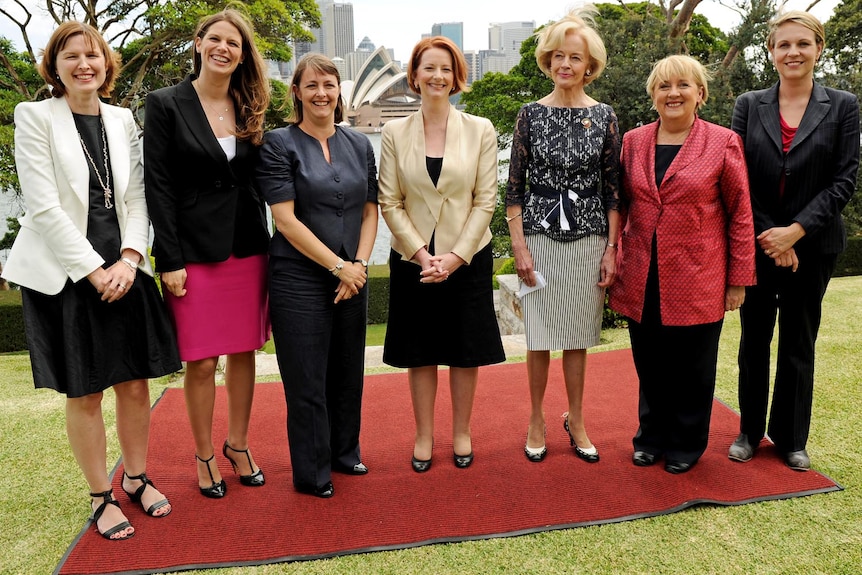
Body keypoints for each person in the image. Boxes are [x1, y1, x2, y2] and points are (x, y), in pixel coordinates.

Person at [2, 21, 181, 540]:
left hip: (123, 270)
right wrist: (94, 269)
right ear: (54, 66)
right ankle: (101, 495)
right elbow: (43, 204)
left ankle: (138, 477)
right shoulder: (34, 115)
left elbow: (135, 197)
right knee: (84, 392)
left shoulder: (123, 118)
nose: (84, 64)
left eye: (93, 55)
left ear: (107, 64)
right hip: (66, 274)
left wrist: (128, 258)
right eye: (71, 56)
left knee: (133, 383)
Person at [144, 9, 271, 497]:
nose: (224, 48)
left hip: (247, 246)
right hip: (193, 253)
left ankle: (237, 445)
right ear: (198, 44)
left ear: (243, 55)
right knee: (200, 361)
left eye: (234, 44)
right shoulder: (165, 104)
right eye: (215, 39)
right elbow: (158, 186)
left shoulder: (251, 102)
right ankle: (202, 455)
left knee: (245, 353)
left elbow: (265, 175)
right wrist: (168, 260)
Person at [608, 55, 756, 474]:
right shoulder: (634, 141)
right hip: (642, 271)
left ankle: (686, 444)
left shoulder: (722, 141)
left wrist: (739, 279)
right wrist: (611, 252)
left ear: (700, 95)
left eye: (683, 86)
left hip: (700, 274)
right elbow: (620, 202)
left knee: (692, 368)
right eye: (663, 86)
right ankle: (650, 438)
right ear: (653, 95)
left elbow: (740, 212)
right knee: (650, 363)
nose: (673, 93)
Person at [729, 11, 859, 471]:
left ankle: (791, 437)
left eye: (803, 44)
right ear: (770, 51)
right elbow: (738, 176)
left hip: (816, 244)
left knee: (799, 341)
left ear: (818, 49)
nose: (793, 53)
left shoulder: (843, 105)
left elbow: (844, 181)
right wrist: (773, 238)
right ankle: (748, 430)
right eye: (784, 45)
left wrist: (796, 232)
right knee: (754, 338)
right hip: (759, 244)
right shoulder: (749, 104)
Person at [379, 36, 505, 473]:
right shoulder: (394, 132)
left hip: (466, 257)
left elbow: (485, 200)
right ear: (414, 76)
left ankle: (462, 431)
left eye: (446, 69)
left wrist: (453, 258)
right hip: (413, 259)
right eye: (429, 68)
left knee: (464, 348)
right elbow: (389, 201)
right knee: (420, 350)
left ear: (457, 77)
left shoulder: (481, 129)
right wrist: (420, 253)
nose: (438, 76)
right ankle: (424, 435)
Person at [256, 54, 378, 498]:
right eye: (312, 86)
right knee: (307, 378)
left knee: (347, 372)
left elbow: (370, 211)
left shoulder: (360, 145)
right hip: (298, 277)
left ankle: (346, 454)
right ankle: (312, 473)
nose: (321, 93)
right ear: (297, 92)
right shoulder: (278, 143)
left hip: (352, 274)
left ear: (339, 89)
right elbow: (285, 220)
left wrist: (359, 265)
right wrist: (338, 266)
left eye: (329, 84)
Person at [506, 7, 619, 464]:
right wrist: (519, 246)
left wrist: (613, 248)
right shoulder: (529, 115)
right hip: (539, 236)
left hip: (590, 238)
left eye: (575, 57)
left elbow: (614, 190)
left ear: (589, 65)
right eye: (558, 57)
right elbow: (513, 187)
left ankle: (577, 418)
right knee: (539, 336)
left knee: (576, 335)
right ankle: (536, 419)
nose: (565, 64)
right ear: (548, 61)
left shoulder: (607, 116)